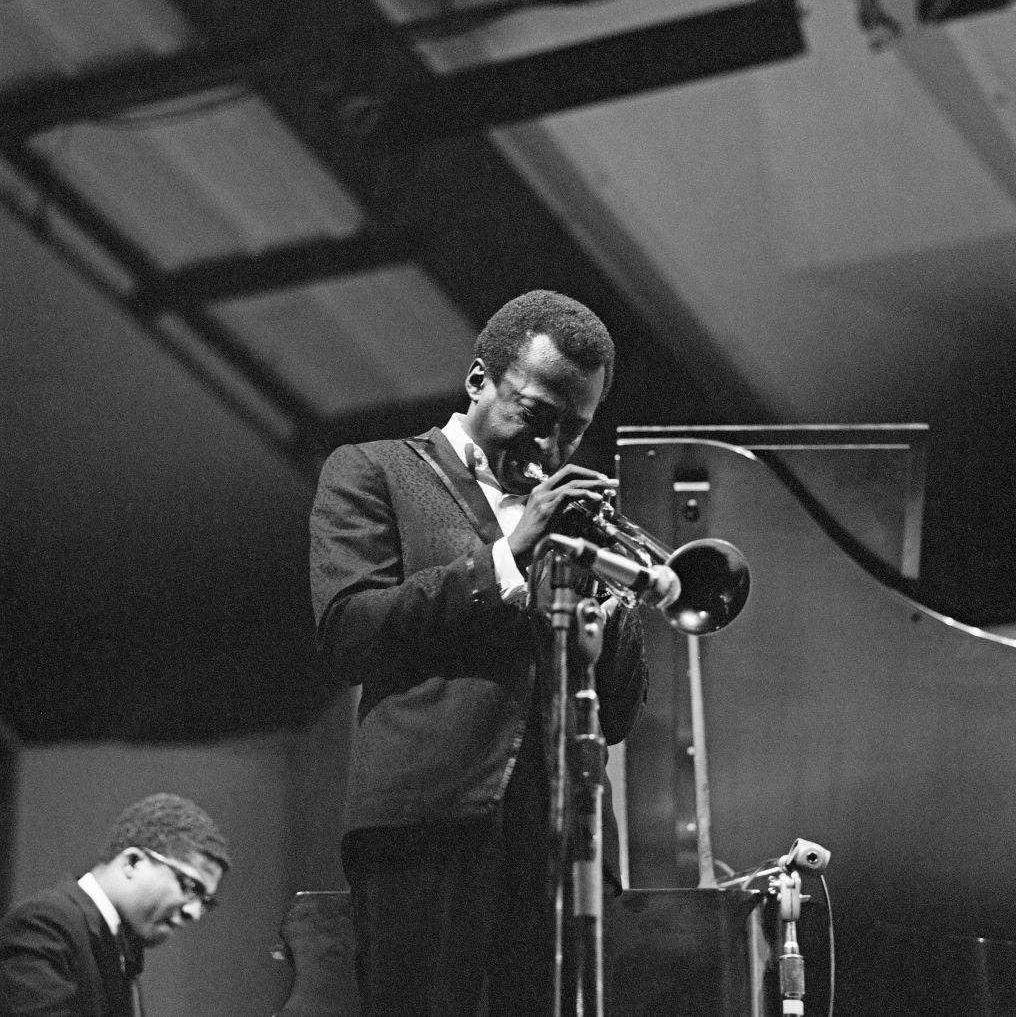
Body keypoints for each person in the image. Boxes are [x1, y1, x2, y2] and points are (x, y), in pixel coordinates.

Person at [309, 289, 648, 1015]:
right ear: (477, 380)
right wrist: (508, 557)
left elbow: (618, 715)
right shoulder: (373, 470)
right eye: (535, 416)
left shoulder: (578, 517)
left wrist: (614, 601)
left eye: (574, 430)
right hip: (426, 828)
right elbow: (349, 632)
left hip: (567, 840)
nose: (552, 448)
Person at [0, 792, 230, 1017]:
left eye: (205, 902)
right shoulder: (45, 925)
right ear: (133, 862)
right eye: (191, 887)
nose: (194, 912)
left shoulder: (119, 947)